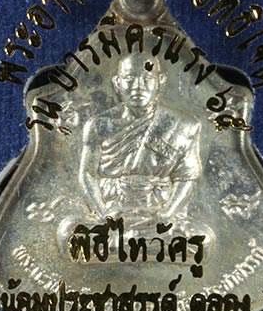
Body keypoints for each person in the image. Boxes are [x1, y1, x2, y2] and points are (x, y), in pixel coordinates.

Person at [79, 51, 201, 233]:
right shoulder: (99, 126)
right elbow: (87, 174)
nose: (138, 86)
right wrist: (103, 213)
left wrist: (167, 213)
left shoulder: (183, 125)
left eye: (146, 79)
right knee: (70, 233)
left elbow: (186, 176)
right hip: (113, 209)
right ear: (117, 83)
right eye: (129, 79)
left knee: (201, 238)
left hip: (158, 212)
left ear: (160, 81)